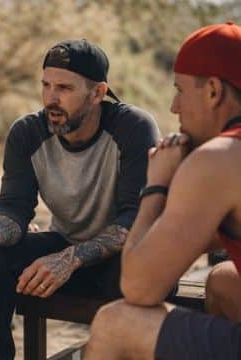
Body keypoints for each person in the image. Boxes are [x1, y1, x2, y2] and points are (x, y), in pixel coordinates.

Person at [0, 39, 160, 359]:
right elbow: (15, 206)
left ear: (98, 93)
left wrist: (73, 257)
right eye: (46, 85)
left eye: (64, 87)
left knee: (135, 268)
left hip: (119, 261)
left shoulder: (134, 128)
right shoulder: (27, 132)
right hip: (64, 247)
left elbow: (135, 218)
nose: (52, 97)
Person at [86, 22, 241, 360]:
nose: (173, 106)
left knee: (116, 323)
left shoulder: (219, 158)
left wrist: (156, 184)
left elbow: (139, 287)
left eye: (180, 90)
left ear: (213, 91)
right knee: (224, 281)